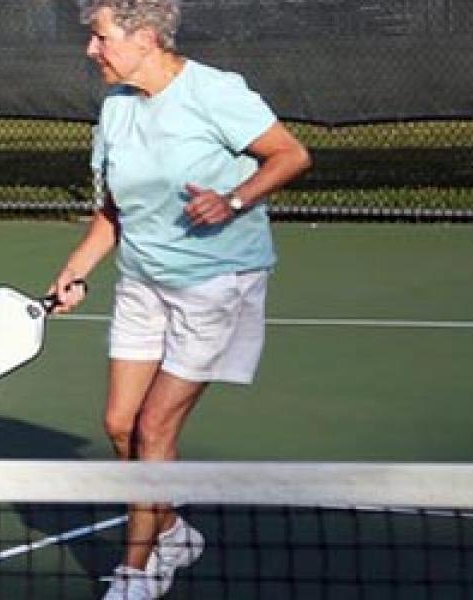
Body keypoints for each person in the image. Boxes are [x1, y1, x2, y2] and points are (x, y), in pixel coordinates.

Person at [49, 1, 311, 598]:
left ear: (144, 37)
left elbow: (291, 154)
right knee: (119, 425)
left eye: (100, 37)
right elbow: (114, 209)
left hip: (215, 284)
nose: (92, 51)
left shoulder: (215, 92)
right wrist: (74, 270)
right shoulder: (115, 109)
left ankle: (137, 573)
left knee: (153, 429)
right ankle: (171, 528)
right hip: (143, 280)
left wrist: (234, 200)